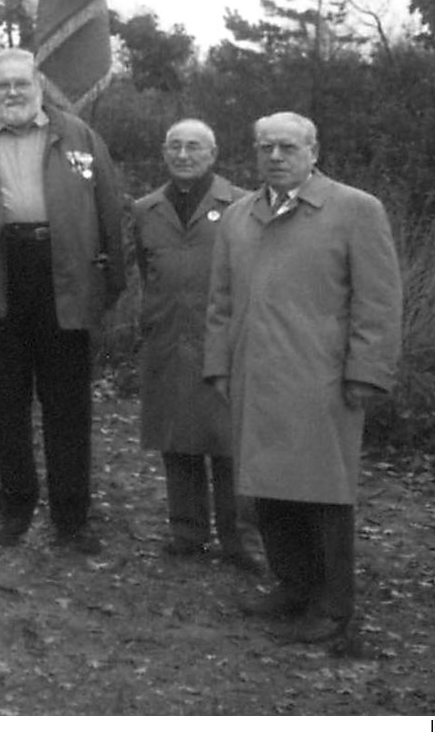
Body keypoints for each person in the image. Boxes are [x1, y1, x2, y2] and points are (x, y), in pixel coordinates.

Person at [205, 111, 402, 645]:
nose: (275, 156)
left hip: (323, 381)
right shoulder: (240, 216)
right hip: (255, 376)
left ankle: (333, 606)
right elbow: (220, 302)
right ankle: (291, 586)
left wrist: (367, 371)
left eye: (288, 147)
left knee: (323, 493)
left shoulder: (356, 211)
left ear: (314, 151)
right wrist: (219, 363)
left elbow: (378, 301)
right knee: (267, 487)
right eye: (265, 146)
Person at [0, 47, 126, 554]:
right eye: (1, 86)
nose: (12, 93)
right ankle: (15, 504)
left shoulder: (77, 134)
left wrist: (110, 284)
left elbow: (109, 211)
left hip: (64, 274)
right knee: (5, 401)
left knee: (67, 404)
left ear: (38, 85)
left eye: (20, 83)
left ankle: (71, 516)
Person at [131, 119, 261, 571]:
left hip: (224, 337)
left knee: (229, 441)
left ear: (213, 154)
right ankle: (186, 530)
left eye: (194, 147)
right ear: (164, 153)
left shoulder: (244, 206)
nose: (183, 155)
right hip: (166, 335)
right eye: (175, 147)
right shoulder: (146, 209)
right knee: (176, 435)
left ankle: (239, 538)